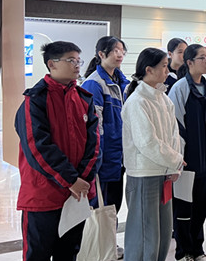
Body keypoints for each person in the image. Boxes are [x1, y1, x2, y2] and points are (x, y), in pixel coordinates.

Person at [15, 41, 101, 261]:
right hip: (43, 195)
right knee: (38, 254)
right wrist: (71, 180)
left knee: (69, 253)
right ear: (51, 64)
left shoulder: (83, 99)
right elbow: (37, 147)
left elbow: (94, 144)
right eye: (71, 60)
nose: (77, 65)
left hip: (76, 195)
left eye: (79, 60)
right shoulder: (35, 100)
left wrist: (82, 180)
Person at [122, 47, 185, 261]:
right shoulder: (137, 101)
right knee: (144, 236)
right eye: (164, 66)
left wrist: (175, 165)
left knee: (162, 235)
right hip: (144, 174)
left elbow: (174, 134)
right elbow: (147, 142)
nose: (168, 71)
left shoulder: (163, 98)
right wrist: (175, 160)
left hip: (164, 172)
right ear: (148, 70)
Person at [168, 44, 206, 261]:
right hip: (187, 164)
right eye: (202, 58)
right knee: (184, 211)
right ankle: (184, 252)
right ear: (189, 63)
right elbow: (175, 129)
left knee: (201, 208)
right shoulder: (180, 89)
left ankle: (197, 250)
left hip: (205, 164)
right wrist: (178, 160)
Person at [82, 35, 129, 259]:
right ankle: (98, 247)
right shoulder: (94, 83)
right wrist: (96, 160)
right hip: (104, 157)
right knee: (101, 205)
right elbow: (95, 127)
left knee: (112, 205)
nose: (120, 55)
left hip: (119, 155)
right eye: (115, 51)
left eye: (122, 51)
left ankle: (109, 244)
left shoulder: (121, 81)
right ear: (101, 54)